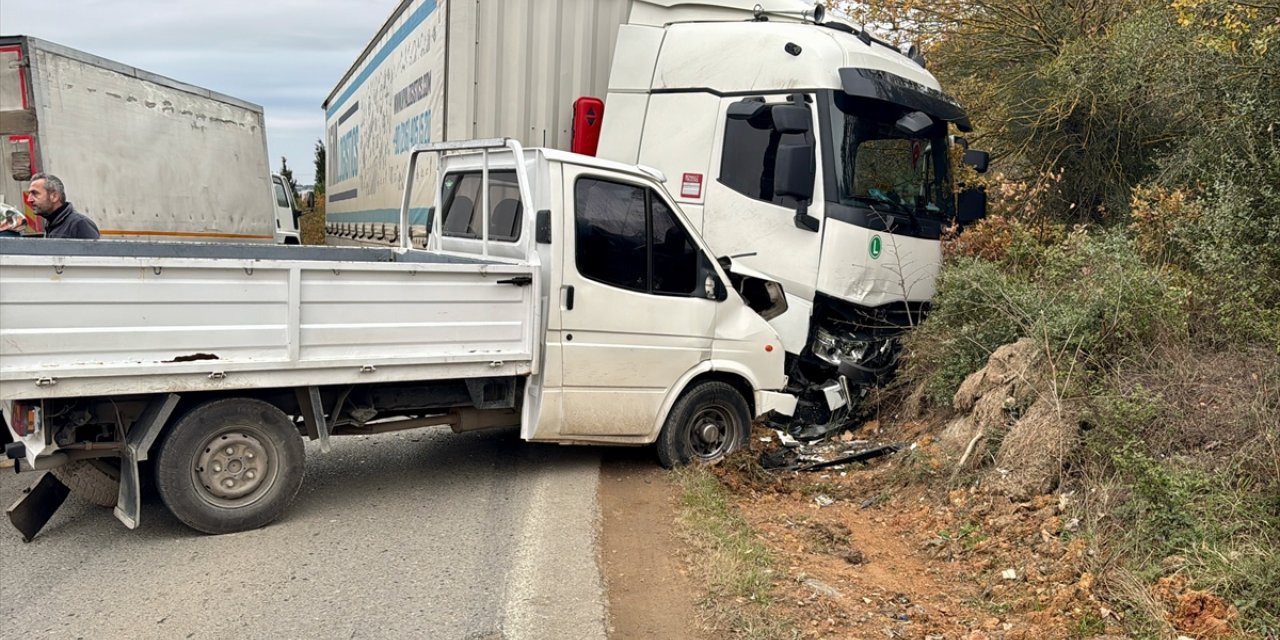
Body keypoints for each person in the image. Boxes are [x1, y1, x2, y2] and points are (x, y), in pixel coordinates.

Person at [27, 172, 100, 239]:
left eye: (35, 193)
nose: (29, 199)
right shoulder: (52, 224)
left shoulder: (79, 224)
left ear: (54, 196)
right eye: (30, 193)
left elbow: (96, 252)